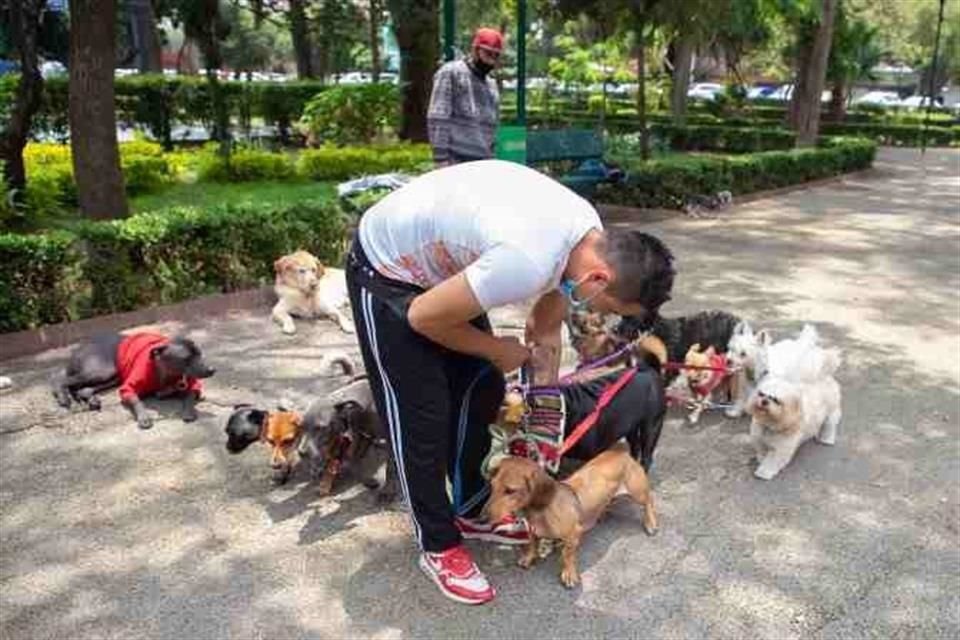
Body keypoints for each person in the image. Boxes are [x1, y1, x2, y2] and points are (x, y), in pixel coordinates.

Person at [345, 159, 675, 605]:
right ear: (599, 278)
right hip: (387, 273)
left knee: (482, 386)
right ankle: (438, 544)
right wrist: (496, 349)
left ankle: (470, 505)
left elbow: (544, 329)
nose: (604, 317)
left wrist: (542, 417)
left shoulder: (588, 237)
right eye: (612, 309)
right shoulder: (527, 259)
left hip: (444, 273)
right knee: (420, 415)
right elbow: (423, 317)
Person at [427, 27, 503, 166]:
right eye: (488, 54)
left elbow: (493, 129)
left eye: (496, 56)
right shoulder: (451, 73)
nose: (491, 61)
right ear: (475, 49)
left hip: (482, 163)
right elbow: (438, 117)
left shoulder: (491, 85)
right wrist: (440, 159)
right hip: (454, 162)